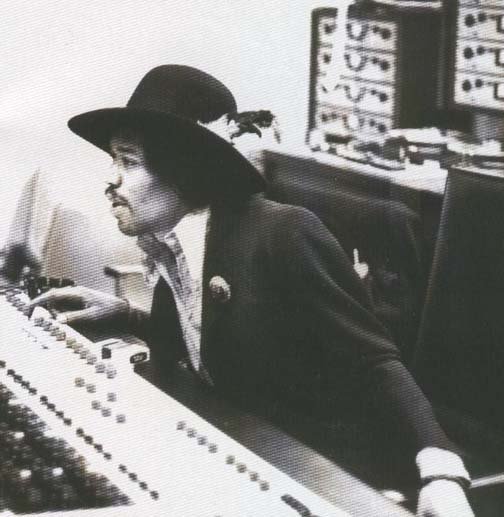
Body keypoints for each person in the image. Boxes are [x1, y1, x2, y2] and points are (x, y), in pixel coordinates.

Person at [30, 65, 473, 516]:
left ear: (182, 169)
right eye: (113, 160)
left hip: (322, 473)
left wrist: (441, 472)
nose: (111, 180)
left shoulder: (283, 233)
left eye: (128, 162)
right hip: (243, 451)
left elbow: (375, 360)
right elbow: (206, 344)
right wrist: (125, 313)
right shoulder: (172, 242)